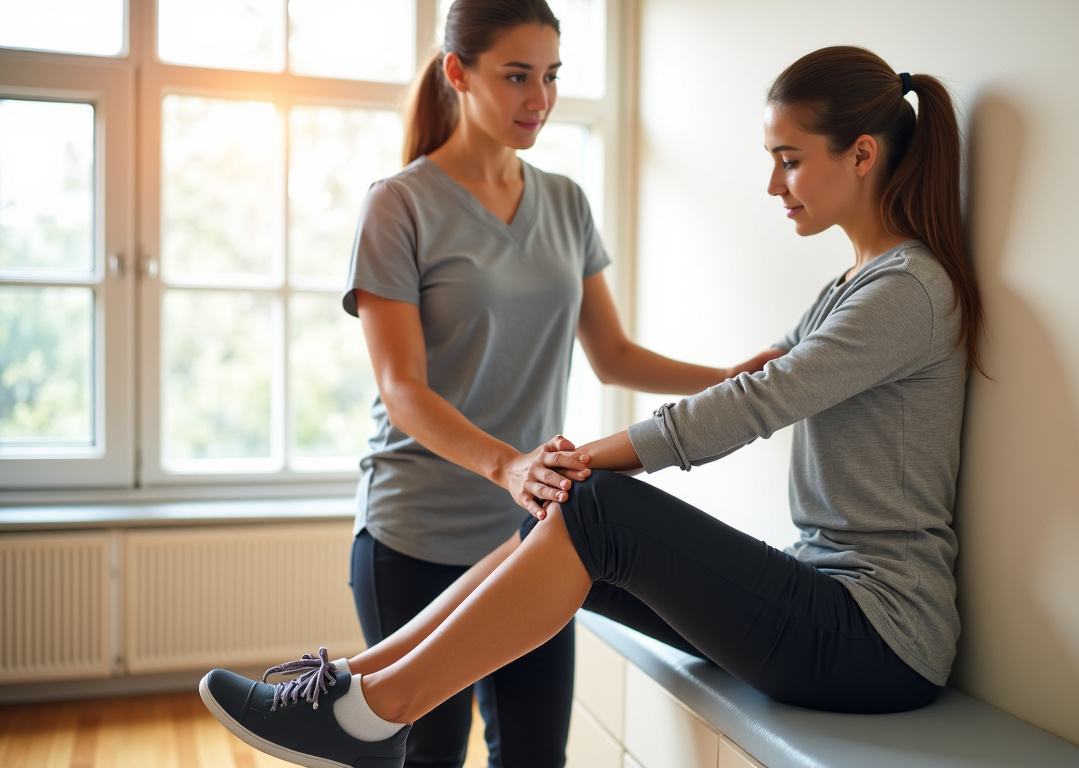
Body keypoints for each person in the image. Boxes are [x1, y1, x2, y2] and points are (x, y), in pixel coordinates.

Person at [200, 44, 985, 768]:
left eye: (789, 161)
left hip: (880, 638)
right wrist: (568, 473)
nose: (773, 185)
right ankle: (353, 687)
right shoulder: (850, 288)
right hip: (825, 602)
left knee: (592, 498)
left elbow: (754, 403)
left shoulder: (907, 290)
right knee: (560, 507)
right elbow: (763, 377)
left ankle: (375, 712)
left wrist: (578, 455)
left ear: (862, 154)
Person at [338, 1, 780, 766]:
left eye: (549, 77)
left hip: (528, 545)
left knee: (537, 756)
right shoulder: (398, 205)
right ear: (457, 73)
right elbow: (403, 389)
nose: (538, 100)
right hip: (415, 536)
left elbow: (613, 356)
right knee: (426, 754)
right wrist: (508, 465)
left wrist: (731, 381)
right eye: (516, 77)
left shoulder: (566, 202)